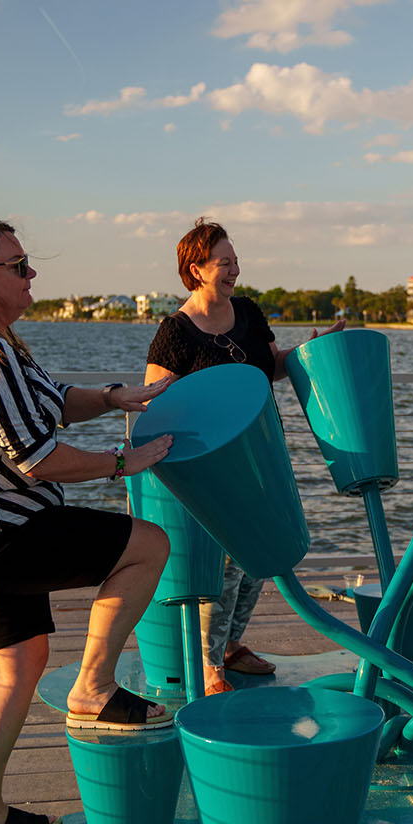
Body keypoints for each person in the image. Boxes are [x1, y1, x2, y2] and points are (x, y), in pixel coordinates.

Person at [0, 215, 176, 824]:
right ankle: (94, 687)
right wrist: (123, 463)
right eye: (18, 265)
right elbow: (39, 458)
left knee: (19, 667)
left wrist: (115, 397)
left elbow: (54, 401)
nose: (32, 273)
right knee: (150, 546)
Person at [143, 218, 345, 696]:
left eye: (236, 261)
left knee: (260, 556)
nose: (235, 270)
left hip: (263, 451)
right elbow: (155, 402)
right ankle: (209, 665)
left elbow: (271, 367)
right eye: (224, 262)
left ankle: (231, 644)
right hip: (214, 465)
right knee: (227, 565)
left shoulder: (249, 313)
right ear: (196, 269)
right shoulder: (175, 332)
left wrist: (308, 352)